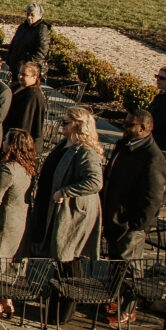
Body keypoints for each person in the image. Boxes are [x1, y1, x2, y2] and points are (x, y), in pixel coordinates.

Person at [101, 111, 166, 325]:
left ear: (144, 129)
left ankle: (128, 309)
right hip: (113, 216)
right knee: (116, 262)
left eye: (130, 124)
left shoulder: (152, 157)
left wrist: (136, 225)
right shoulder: (124, 145)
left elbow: (153, 198)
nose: (124, 126)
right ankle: (115, 298)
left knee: (129, 268)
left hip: (130, 224)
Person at [42, 107, 106, 312]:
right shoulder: (66, 144)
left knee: (68, 256)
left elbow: (95, 182)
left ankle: (64, 310)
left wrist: (66, 192)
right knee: (62, 258)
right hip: (61, 209)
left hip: (75, 213)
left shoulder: (86, 151)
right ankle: (58, 304)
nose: (62, 125)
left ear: (78, 125)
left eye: (66, 122)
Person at [0, 130, 38, 318]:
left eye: (6, 139)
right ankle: (7, 300)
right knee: (8, 265)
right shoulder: (28, 168)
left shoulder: (6, 169)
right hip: (19, 223)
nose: (2, 141)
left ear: (12, 145)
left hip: (0, 224)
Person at [2, 60, 46, 145]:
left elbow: (25, 123)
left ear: (34, 77)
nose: (20, 77)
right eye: (20, 73)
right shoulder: (16, 86)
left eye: (24, 75)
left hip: (17, 139)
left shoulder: (33, 95)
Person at [4, 3, 53, 79]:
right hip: (16, 67)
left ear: (40, 16)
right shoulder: (23, 27)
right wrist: (9, 59)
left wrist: (28, 64)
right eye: (27, 14)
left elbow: (42, 50)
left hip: (29, 70)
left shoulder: (42, 29)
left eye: (32, 15)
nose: (29, 17)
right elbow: (14, 43)